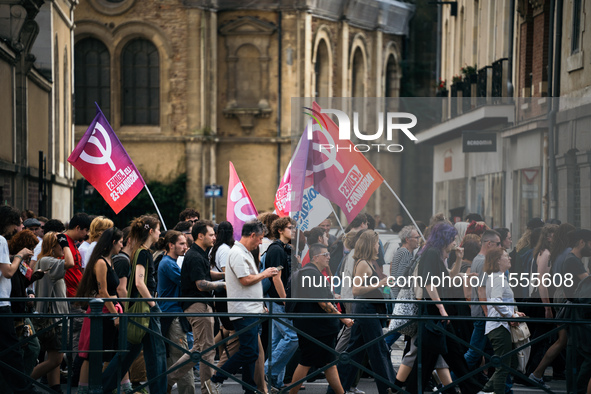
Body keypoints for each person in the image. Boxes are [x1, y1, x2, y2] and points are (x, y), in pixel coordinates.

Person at [405, 223, 482, 394]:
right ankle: (472, 389)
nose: (455, 243)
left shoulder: (436, 253)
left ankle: (470, 388)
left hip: (437, 313)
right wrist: (441, 309)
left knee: (442, 357)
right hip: (434, 313)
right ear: (445, 238)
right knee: (445, 356)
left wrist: (460, 260)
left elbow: (448, 277)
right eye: (453, 239)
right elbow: (429, 283)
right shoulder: (431, 253)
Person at [205, 220, 279, 394]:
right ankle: (217, 378)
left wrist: (259, 304)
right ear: (252, 235)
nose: (261, 242)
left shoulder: (242, 251)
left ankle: (249, 389)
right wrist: (265, 274)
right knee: (249, 352)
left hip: (248, 309)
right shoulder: (237, 253)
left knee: (251, 352)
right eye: (260, 238)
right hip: (243, 311)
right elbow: (244, 280)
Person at [102, 215, 167, 394]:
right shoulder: (144, 252)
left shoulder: (139, 251)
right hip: (146, 310)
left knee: (128, 354)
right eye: (158, 229)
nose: (160, 232)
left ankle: (102, 387)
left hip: (139, 309)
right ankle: (159, 391)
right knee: (157, 355)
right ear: (151, 231)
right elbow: (139, 282)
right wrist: (153, 304)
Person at [334, 231, 395, 394]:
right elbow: (356, 289)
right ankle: (388, 387)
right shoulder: (362, 263)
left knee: (355, 351)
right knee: (378, 349)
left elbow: (374, 288)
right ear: (370, 245)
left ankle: (337, 388)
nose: (378, 246)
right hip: (365, 309)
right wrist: (379, 283)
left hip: (367, 309)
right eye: (376, 243)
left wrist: (385, 284)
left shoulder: (368, 262)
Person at [168, 221, 224, 394]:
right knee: (206, 350)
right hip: (197, 305)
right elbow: (201, 284)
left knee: (201, 349)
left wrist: (225, 274)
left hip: (200, 305)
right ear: (200, 236)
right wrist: (224, 284)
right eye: (211, 234)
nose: (215, 237)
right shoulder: (195, 256)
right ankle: (208, 390)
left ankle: (167, 380)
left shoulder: (199, 254)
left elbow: (206, 274)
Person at [289, 243, 353, 394]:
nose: (329, 257)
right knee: (306, 362)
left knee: (329, 362)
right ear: (316, 257)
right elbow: (323, 303)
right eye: (326, 255)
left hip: (315, 326)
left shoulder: (310, 272)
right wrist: (343, 318)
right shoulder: (312, 274)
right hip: (316, 328)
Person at [76, 227, 124, 393]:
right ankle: (84, 390)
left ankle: (116, 387)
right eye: (121, 242)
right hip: (102, 312)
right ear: (113, 242)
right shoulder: (101, 262)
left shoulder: (109, 260)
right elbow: (103, 291)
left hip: (108, 310)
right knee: (92, 354)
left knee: (113, 352)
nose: (122, 245)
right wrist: (115, 314)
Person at [33, 231, 75, 392]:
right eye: (61, 245)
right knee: (56, 359)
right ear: (53, 246)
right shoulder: (46, 261)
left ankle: (55, 388)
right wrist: (65, 243)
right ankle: (22, 383)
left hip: (55, 317)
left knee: (52, 355)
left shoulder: (46, 261)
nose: (64, 249)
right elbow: (70, 263)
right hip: (53, 318)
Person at [0, 205, 35, 394]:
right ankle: (24, 391)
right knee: (12, 353)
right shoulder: (0, 241)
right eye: (18, 224)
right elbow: (8, 272)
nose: (19, 229)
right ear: (9, 223)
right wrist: (20, 256)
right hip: (2, 305)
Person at [481, 248, 524, 394]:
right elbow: (495, 301)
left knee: (506, 363)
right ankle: (488, 391)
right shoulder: (498, 278)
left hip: (498, 324)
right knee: (503, 365)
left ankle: (486, 391)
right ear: (498, 260)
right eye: (506, 256)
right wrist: (510, 315)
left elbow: (499, 301)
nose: (509, 258)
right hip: (499, 325)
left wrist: (512, 312)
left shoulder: (497, 277)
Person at [264, 217, 298, 391]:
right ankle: (266, 371)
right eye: (290, 228)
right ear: (280, 230)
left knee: (278, 342)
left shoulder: (284, 249)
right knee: (292, 338)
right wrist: (286, 300)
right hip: (279, 301)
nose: (293, 230)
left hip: (278, 301)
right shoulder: (276, 250)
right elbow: (276, 277)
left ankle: (275, 383)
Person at [464, 229, 501, 370]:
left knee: (489, 351)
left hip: (479, 312)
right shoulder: (484, 261)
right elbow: (481, 289)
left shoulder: (477, 259)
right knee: (474, 352)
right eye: (498, 244)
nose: (500, 247)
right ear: (489, 244)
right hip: (482, 314)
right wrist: (487, 313)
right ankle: (450, 381)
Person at [63, 212, 92, 297]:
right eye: (86, 230)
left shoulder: (72, 242)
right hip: (69, 295)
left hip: (75, 294)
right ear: (78, 228)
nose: (87, 234)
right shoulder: (62, 243)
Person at [390, 225, 420, 299]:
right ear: (407, 239)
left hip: (396, 295)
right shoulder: (405, 252)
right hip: (399, 296)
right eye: (416, 237)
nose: (418, 240)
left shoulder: (401, 251)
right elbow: (401, 279)